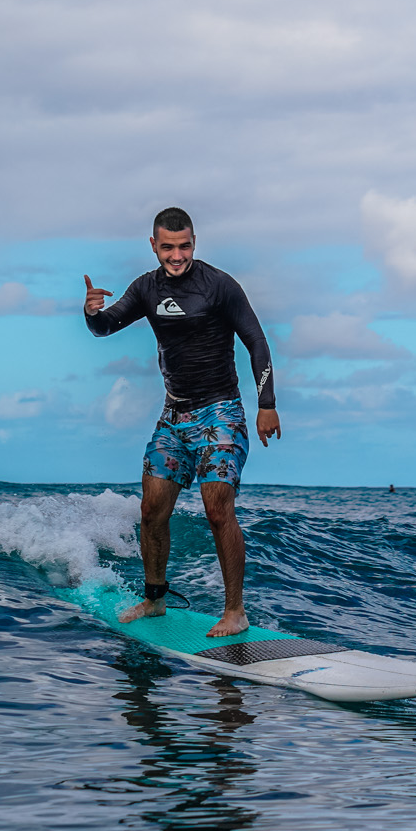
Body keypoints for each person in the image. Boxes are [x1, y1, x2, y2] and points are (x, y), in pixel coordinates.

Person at [84, 206, 280, 637]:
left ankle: (235, 612)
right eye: (168, 247)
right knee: (152, 509)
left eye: (185, 245)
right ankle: (155, 599)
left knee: (217, 509)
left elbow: (257, 342)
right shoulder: (146, 289)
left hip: (221, 411)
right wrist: (93, 313)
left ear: (195, 242)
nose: (177, 255)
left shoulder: (219, 286)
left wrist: (267, 404)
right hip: (174, 415)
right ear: (153, 245)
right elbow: (106, 327)